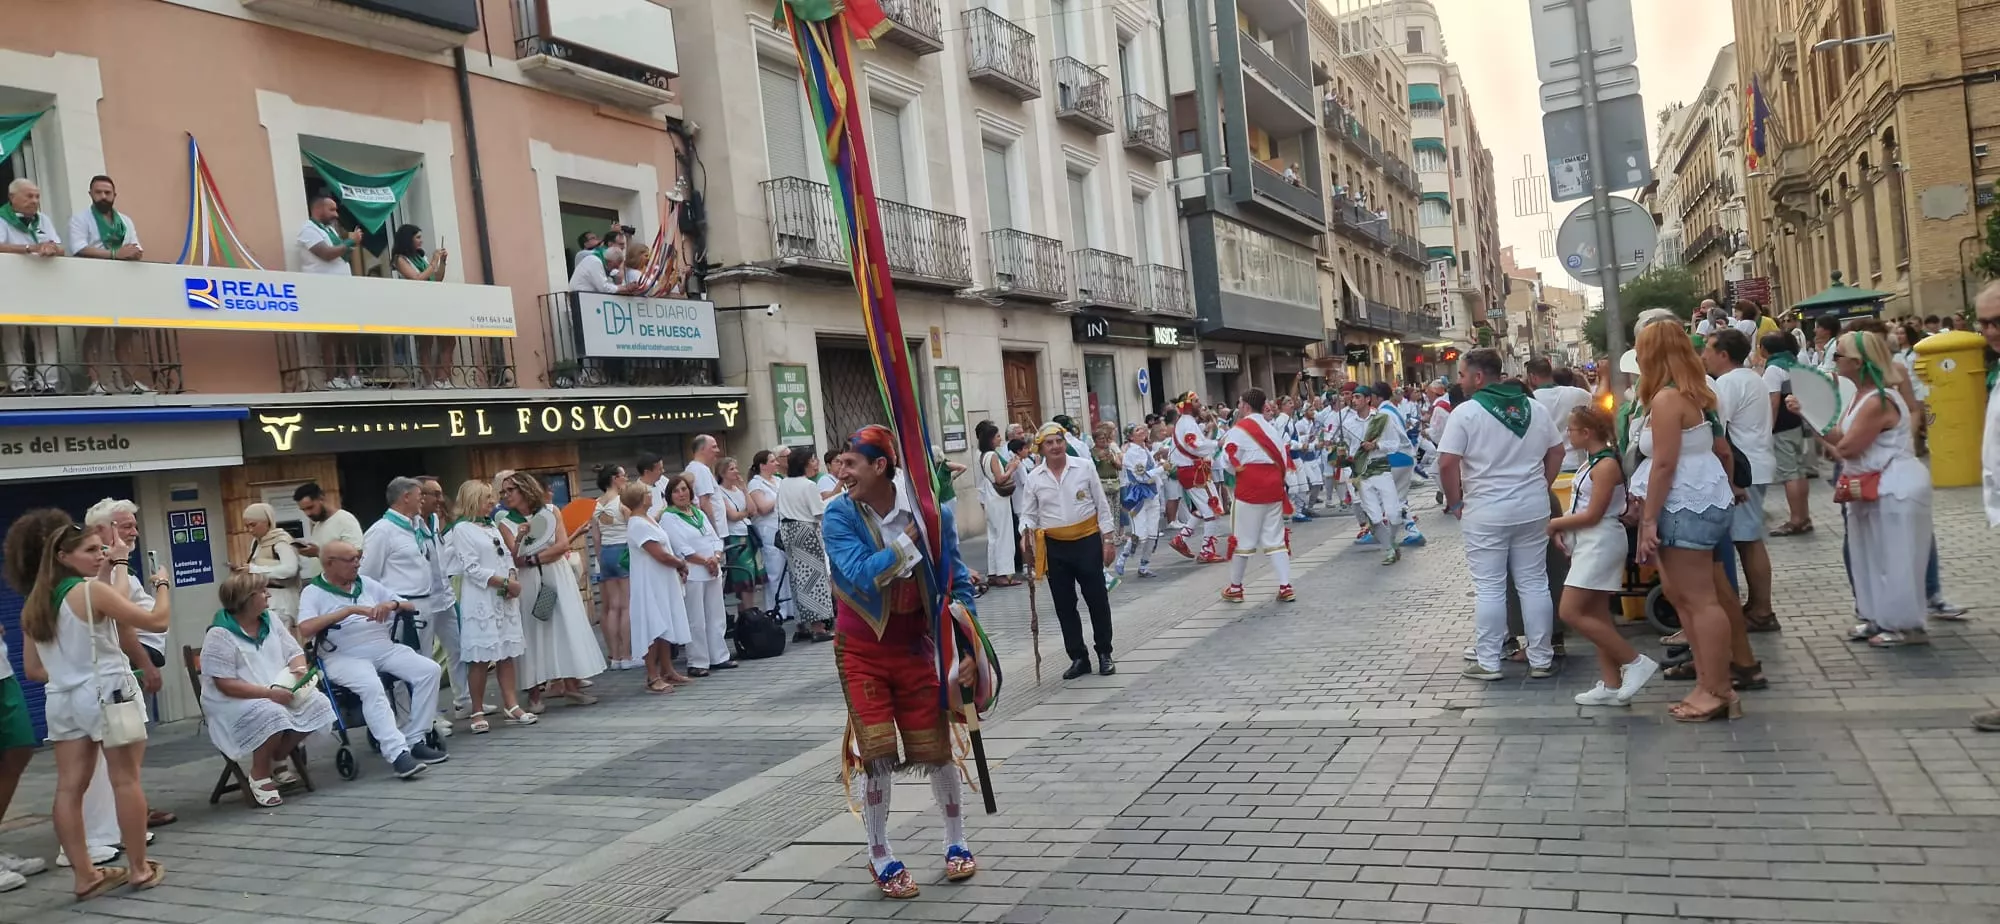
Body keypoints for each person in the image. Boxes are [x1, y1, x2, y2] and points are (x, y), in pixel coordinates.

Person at [822, 426, 981, 899]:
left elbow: (956, 583)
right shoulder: (838, 514)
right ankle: (880, 854)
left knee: (936, 746)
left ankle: (956, 841)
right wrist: (908, 544)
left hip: (916, 645)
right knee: (876, 756)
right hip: (862, 650)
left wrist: (967, 650)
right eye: (840, 463)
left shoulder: (933, 514)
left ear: (879, 466)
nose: (841, 472)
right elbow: (857, 574)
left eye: (850, 463)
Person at [2, 509, 171, 899]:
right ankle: (139, 867)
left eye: (101, 548)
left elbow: (33, 669)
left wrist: (71, 671)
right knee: (125, 779)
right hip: (108, 691)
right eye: (91, 550)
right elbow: (157, 621)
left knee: (69, 789)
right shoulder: (89, 591)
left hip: (62, 698)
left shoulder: (35, 602)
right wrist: (161, 584)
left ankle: (85, 875)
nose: (100, 555)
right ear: (64, 556)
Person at [1630, 322, 1741, 721]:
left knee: (1698, 601)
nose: (1637, 356)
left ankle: (1719, 689)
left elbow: (1664, 464)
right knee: (1687, 599)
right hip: (1697, 499)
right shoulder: (1693, 394)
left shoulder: (1667, 399)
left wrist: (1648, 522)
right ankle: (1709, 683)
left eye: (1641, 349)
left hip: (1683, 504)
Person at [1439, 348, 1564, 681]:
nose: (1459, 381)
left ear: (1479, 377)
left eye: (1462, 374)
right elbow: (1557, 450)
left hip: (1486, 510)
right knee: (1534, 582)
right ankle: (1541, 658)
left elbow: (1447, 462)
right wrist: (1542, 484)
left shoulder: (1466, 413)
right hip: (1532, 508)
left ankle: (1489, 661)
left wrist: (1455, 503)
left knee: (1490, 588)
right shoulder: (1534, 408)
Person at [1815, 331, 1933, 647]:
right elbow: (1840, 439)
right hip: (1869, 486)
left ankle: (1903, 624)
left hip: (1894, 486)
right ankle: (1877, 617)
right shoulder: (1861, 396)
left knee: (1896, 557)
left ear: (1857, 362)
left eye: (1838, 355)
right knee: (1868, 554)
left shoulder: (1879, 400)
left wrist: (1818, 425)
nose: (1833, 360)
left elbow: (1847, 447)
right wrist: (1809, 416)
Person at [296, 539, 443, 778]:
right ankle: (398, 753)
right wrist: (348, 611)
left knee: (429, 670)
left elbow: (408, 605)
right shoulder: (313, 592)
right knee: (371, 685)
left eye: (358, 558)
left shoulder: (367, 584)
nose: (357, 564)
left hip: (383, 648)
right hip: (343, 656)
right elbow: (305, 628)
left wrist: (392, 604)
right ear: (330, 564)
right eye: (350, 560)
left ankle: (416, 738)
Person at [1549, 406, 1657, 705]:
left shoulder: (1606, 465)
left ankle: (1634, 661)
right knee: (1597, 614)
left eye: (1571, 429)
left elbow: (1594, 514)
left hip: (1601, 541)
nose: (1568, 434)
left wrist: (1555, 524)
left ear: (1587, 433)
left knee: (1570, 611)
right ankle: (1611, 683)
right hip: (1590, 541)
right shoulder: (1593, 462)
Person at [198, 571, 334, 806]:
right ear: (246, 599)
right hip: (233, 700)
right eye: (262, 591)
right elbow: (225, 685)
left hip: (276, 689)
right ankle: (259, 774)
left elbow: (294, 652)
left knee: (319, 702)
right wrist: (270, 694)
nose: (268, 595)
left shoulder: (270, 619)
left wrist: (299, 670)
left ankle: (277, 755)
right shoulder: (219, 634)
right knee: (272, 712)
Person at [1018, 423, 1119, 679]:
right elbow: (1028, 514)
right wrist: (1025, 533)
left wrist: (1108, 539)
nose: (1055, 447)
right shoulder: (1034, 477)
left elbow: (1101, 504)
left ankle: (1104, 652)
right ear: (1041, 448)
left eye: (1059, 441)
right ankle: (1078, 657)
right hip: (1054, 547)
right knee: (1064, 605)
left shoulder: (1084, 467)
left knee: (1097, 599)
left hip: (1087, 542)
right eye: (1049, 443)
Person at [360, 478, 454, 734]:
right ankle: (407, 721)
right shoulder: (382, 531)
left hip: (424, 603)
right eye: (418, 495)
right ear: (405, 497)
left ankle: (427, 717)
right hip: (400, 608)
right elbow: (367, 576)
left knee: (425, 663)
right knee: (403, 665)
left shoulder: (415, 526)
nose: (423, 499)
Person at [503, 472, 602, 710]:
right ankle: (534, 693)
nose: (506, 495)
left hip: (556, 576)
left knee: (564, 627)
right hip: (529, 581)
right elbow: (515, 558)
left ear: (525, 489)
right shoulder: (506, 522)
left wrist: (534, 558)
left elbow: (562, 545)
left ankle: (571, 686)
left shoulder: (550, 511)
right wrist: (529, 552)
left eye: (510, 490)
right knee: (533, 632)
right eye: (503, 492)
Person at [442, 480, 535, 731]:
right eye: (487, 498)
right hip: (481, 597)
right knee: (480, 658)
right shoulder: (462, 529)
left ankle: (511, 705)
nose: (493, 502)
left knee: (506, 652)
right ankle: (477, 710)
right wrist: (504, 582)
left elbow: (505, 555)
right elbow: (471, 568)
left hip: (503, 597)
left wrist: (512, 577)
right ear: (474, 500)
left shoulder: (491, 525)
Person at [1704, 328, 1779, 629]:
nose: (1704, 356)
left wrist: (1732, 480)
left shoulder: (1729, 382)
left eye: (1709, 350)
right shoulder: (1752, 377)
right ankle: (1757, 605)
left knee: (1748, 539)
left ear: (1723, 354)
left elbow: (1717, 427)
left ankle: (1762, 610)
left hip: (1745, 468)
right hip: (1757, 462)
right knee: (1748, 537)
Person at [68, 175, 151, 395]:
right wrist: (115, 254)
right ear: (90, 194)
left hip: (122, 281)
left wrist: (134, 253)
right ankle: (94, 382)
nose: (103, 196)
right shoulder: (81, 219)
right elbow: (79, 248)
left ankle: (129, 382)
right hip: (93, 280)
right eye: (98, 192)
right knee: (96, 330)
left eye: (108, 193)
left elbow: (136, 247)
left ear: (115, 195)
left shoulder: (125, 220)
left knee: (125, 332)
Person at [1220, 388, 1301, 596]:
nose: (1239, 407)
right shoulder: (1271, 428)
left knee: (1242, 539)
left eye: (1240, 403)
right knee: (1275, 538)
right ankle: (1285, 585)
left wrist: (1240, 471)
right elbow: (1283, 458)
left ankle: (1236, 587)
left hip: (1250, 488)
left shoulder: (1239, 429)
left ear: (1246, 406)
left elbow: (1227, 461)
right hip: (1273, 487)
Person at [621, 482, 693, 693]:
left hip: (662, 579)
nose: (650, 495)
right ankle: (652, 675)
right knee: (653, 626)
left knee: (665, 622)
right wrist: (680, 563)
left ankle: (668, 669)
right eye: (647, 493)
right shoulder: (637, 524)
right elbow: (659, 554)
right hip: (649, 582)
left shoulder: (648, 518)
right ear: (640, 498)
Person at [661, 473, 732, 676]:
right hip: (693, 572)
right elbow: (681, 547)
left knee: (716, 615)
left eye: (684, 489)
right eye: (676, 491)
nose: (681, 494)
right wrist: (706, 561)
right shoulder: (669, 517)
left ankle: (719, 656)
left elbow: (715, 538)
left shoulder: (698, 512)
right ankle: (698, 662)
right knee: (696, 619)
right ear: (670, 495)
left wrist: (716, 557)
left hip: (712, 570)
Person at [1, 178, 65, 393]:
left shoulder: (43, 219)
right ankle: (19, 384)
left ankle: (48, 383)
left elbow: (60, 247)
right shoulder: (1, 218)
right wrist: (30, 248)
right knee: (13, 333)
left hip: (41, 285)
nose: (35, 200)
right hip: (10, 285)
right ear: (12, 197)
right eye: (29, 196)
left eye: (37, 196)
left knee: (46, 331)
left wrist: (53, 249)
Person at [299, 194, 366, 388]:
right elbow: (326, 254)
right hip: (323, 290)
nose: (336, 214)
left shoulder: (329, 230)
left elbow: (340, 255)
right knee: (329, 334)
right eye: (332, 210)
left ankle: (352, 375)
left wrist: (350, 245)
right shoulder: (308, 229)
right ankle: (331, 378)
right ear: (318, 209)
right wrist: (349, 242)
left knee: (349, 332)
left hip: (342, 289)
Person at [1760, 333, 1816, 536]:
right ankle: (1804, 516)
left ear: (1767, 349)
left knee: (1789, 474)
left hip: (1782, 426)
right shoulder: (1794, 363)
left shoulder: (1773, 369)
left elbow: (1773, 401)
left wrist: (1768, 428)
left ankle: (1795, 520)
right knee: (1799, 471)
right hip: (1796, 422)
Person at [779, 447, 836, 641]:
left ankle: (801, 624)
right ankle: (818, 627)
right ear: (804, 463)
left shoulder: (784, 483)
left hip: (788, 530)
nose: (815, 463)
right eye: (812, 460)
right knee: (814, 577)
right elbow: (819, 512)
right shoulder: (808, 485)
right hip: (806, 530)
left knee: (797, 577)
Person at [389, 224, 455, 389]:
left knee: (449, 340)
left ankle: (442, 379)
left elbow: (436, 278)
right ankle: (428, 381)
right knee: (425, 343)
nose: (421, 241)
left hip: (433, 303)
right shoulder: (400, 259)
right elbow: (417, 278)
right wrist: (433, 262)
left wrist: (442, 262)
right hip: (417, 304)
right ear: (408, 239)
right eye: (418, 237)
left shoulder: (421, 257)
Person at [1349, 385, 1408, 565]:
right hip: (1362, 473)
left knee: (1394, 514)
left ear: (1368, 399)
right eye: (1353, 397)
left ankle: (1391, 541)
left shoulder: (1382, 419)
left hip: (1381, 469)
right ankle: (1389, 549)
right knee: (1374, 517)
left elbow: (1395, 444)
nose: (1354, 401)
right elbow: (1348, 449)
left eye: (1358, 397)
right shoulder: (1348, 423)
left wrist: (1376, 445)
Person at [1166, 392, 1227, 562]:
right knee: (1213, 510)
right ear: (1187, 405)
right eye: (1196, 401)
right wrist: (1217, 443)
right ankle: (1206, 551)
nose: (1200, 404)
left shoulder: (1187, 422)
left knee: (1205, 508)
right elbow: (1194, 446)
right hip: (1194, 473)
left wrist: (1209, 434)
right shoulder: (1187, 423)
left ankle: (1181, 539)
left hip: (1193, 471)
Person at [591, 465, 634, 671]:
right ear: (615, 478)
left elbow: (596, 537)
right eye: (623, 476)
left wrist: (600, 559)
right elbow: (632, 529)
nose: (626, 479)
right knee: (625, 606)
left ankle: (615, 656)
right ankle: (627, 655)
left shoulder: (595, 505)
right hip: (622, 551)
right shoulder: (622, 502)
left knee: (612, 607)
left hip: (605, 554)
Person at [238, 503, 302, 631]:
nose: (250, 530)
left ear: (267, 522)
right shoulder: (257, 542)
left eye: (253, 525)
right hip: (264, 597)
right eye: (247, 526)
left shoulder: (281, 541)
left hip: (281, 600)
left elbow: (290, 569)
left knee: (279, 637)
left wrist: (255, 570)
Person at [974, 422, 1023, 586]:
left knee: (994, 536)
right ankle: (1003, 573)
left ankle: (993, 572)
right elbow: (1000, 479)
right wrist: (1013, 468)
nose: (1000, 439)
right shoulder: (992, 456)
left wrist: (1007, 467)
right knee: (1004, 535)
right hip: (998, 498)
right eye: (997, 436)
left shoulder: (983, 456)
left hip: (990, 496)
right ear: (990, 439)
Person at [1114, 422, 1164, 580]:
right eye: (1137, 430)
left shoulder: (1145, 449)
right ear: (1130, 436)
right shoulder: (1131, 453)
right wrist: (1162, 468)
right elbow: (1141, 476)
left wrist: (1160, 466)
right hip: (1138, 497)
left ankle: (1144, 566)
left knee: (1152, 534)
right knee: (1139, 534)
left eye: (1142, 428)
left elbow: (1151, 472)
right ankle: (1123, 557)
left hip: (1152, 495)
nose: (1142, 431)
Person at [717, 458, 766, 616]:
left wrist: (744, 490)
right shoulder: (720, 492)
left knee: (752, 575)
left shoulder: (738, 490)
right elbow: (732, 516)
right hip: (735, 536)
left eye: (736, 468)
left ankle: (746, 613)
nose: (736, 471)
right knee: (743, 575)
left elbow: (753, 510)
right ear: (722, 472)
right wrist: (745, 513)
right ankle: (748, 612)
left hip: (747, 533)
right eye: (732, 469)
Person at [1526, 359, 1593, 471]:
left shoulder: (1529, 401)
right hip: (1578, 464)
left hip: (1548, 467)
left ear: (1532, 377)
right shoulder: (1579, 394)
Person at [292, 482, 365, 584]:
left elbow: (356, 554)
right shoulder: (318, 525)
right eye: (303, 510)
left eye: (310, 507)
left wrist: (318, 553)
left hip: (340, 585)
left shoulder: (344, 519)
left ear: (321, 498)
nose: (308, 513)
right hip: (322, 584)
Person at [748, 451, 788, 618]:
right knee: (774, 569)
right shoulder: (755, 484)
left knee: (786, 569)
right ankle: (775, 609)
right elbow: (763, 508)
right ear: (763, 465)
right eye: (772, 461)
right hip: (768, 530)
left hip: (783, 527)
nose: (776, 464)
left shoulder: (779, 480)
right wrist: (781, 496)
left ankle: (789, 608)